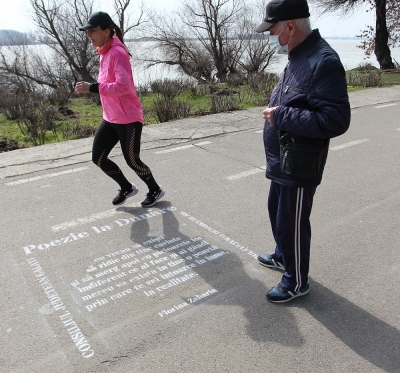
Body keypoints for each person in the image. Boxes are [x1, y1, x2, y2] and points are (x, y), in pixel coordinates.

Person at [254, 0, 351, 303]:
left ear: (290, 27)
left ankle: (296, 281)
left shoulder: (324, 61)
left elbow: (336, 120)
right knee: (276, 211)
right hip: (282, 160)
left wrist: (281, 117)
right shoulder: (299, 55)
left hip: (298, 164)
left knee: (291, 223)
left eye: (273, 31)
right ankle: (284, 256)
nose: (272, 38)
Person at [75, 11, 165, 207]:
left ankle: (155, 189)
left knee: (132, 159)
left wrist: (92, 87)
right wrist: (94, 87)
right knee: (98, 157)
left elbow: (123, 87)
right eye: (87, 31)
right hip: (111, 117)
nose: (89, 35)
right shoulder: (104, 52)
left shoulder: (117, 53)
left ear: (106, 31)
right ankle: (126, 187)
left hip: (128, 118)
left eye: (92, 31)